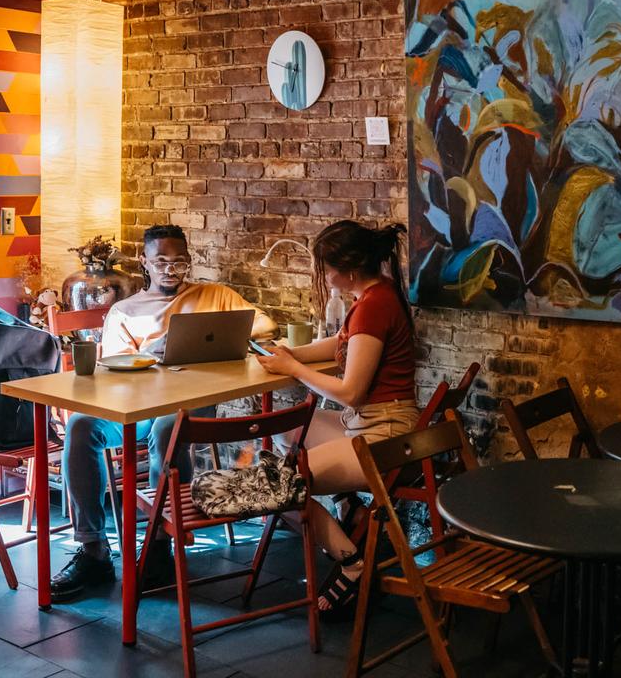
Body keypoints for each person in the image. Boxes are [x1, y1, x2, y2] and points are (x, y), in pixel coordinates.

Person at [51, 224, 278, 601]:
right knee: (80, 426)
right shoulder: (125, 311)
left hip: (193, 401)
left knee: (167, 430)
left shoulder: (214, 296)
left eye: (179, 262)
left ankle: (159, 543)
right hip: (140, 405)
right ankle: (93, 550)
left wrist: (220, 338)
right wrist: (155, 352)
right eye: (161, 262)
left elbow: (266, 326)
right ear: (144, 262)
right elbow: (115, 376)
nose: (171, 270)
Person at [256, 220, 417, 613]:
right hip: (379, 422)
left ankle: (352, 563)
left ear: (349, 270)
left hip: (383, 433)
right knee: (291, 431)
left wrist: (295, 371)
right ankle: (351, 508)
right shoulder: (376, 293)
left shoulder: (374, 306)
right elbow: (343, 343)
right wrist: (291, 354)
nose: (324, 276)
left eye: (325, 269)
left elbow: (350, 392)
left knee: (282, 486)